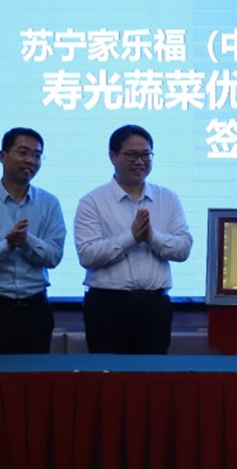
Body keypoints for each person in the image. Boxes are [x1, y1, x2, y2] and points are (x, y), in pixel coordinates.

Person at [74, 124, 193, 354]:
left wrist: (152, 237)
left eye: (146, 154)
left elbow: (183, 248)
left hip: (154, 307)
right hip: (107, 307)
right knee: (107, 373)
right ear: (113, 156)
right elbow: (87, 255)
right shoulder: (92, 201)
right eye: (131, 155)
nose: (140, 161)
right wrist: (132, 238)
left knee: (152, 373)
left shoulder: (168, 198)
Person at [0, 127, 66, 354]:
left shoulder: (49, 203)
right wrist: (6, 246)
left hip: (34, 310)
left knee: (33, 375)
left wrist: (26, 241)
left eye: (37, 155)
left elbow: (54, 257)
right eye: (23, 152)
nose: (31, 161)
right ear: (2, 156)